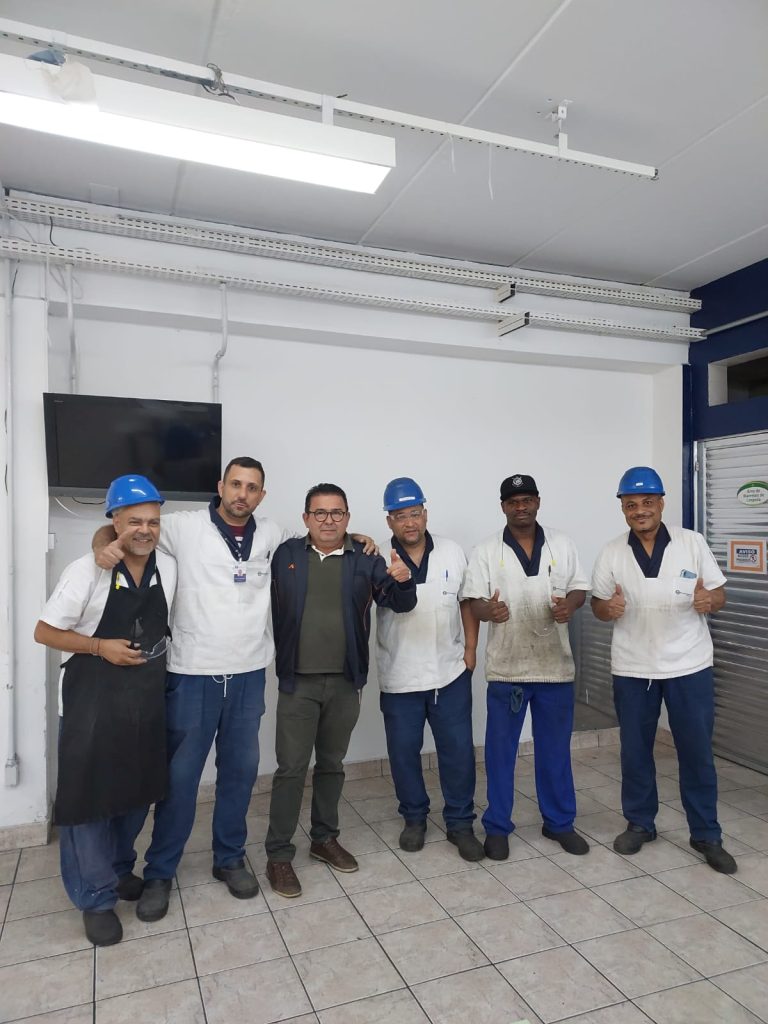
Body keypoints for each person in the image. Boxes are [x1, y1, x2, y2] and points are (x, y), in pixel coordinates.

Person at [35, 475, 176, 946]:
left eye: (152, 521)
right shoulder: (86, 571)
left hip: (144, 700)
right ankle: (95, 897)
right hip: (91, 701)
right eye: (134, 520)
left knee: (135, 794)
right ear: (114, 521)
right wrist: (99, 646)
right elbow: (44, 631)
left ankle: (117, 870)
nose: (145, 529)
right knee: (90, 800)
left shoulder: (168, 567)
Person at [264, 483, 417, 898]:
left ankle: (324, 838)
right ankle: (279, 855)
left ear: (347, 517)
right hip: (297, 681)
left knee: (331, 764)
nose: (328, 520)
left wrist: (403, 580)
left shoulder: (366, 559)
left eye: (336, 513)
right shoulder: (285, 555)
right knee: (291, 769)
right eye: (320, 513)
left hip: (346, 682)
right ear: (306, 518)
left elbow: (399, 603)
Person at [591, 466, 736, 873]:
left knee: (696, 752)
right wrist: (607, 608)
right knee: (635, 751)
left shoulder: (691, 542)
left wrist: (711, 601)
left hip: (689, 664)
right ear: (622, 508)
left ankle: (706, 833)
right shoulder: (612, 551)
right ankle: (640, 823)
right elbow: (598, 604)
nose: (640, 510)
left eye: (648, 502)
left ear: (661, 503)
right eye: (631, 504)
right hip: (633, 667)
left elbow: (718, 593)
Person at [461, 474, 590, 860]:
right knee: (500, 754)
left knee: (555, 751)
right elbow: (473, 602)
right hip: (508, 670)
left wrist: (570, 605)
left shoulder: (562, 543)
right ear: (503, 506)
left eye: (527, 499)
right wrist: (489, 611)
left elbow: (579, 588)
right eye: (513, 501)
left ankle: (559, 823)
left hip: (555, 666)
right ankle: (498, 827)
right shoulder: (486, 550)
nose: (521, 507)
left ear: (537, 502)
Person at [375, 477, 483, 861]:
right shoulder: (378, 557)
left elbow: (467, 602)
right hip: (400, 676)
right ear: (389, 521)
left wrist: (470, 649)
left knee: (458, 753)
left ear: (425, 513)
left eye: (415, 513)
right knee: (404, 754)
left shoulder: (452, 551)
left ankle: (460, 823)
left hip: (449, 674)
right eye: (400, 516)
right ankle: (414, 819)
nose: (409, 522)